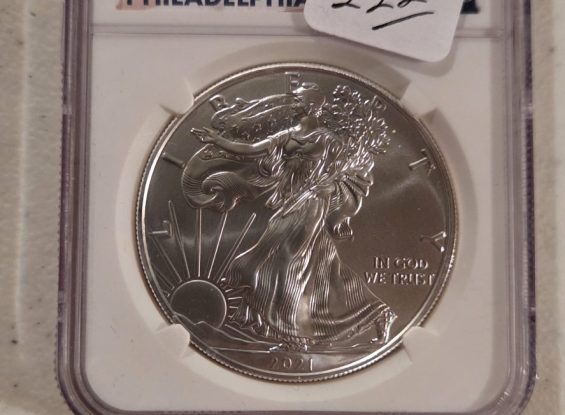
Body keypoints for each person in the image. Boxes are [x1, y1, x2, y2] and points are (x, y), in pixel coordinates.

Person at [189, 82, 396, 347]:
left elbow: (351, 171)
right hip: (290, 201)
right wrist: (218, 141)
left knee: (287, 258)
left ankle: (290, 331)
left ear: (313, 105)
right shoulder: (288, 134)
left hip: (312, 203)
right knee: (322, 267)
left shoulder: (329, 140)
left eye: (298, 100)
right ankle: (377, 314)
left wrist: (331, 186)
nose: (294, 104)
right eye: (295, 99)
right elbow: (253, 150)